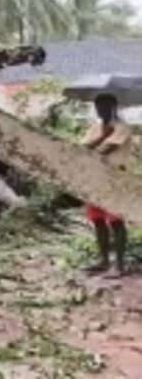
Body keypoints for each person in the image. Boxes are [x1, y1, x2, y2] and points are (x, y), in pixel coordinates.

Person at [81, 94, 133, 277]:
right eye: (98, 107)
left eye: (104, 107)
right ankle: (104, 260)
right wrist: (102, 135)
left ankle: (119, 264)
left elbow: (104, 150)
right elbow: (82, 148)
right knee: (97, 218)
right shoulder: (96, 128)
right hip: (96, 177)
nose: (101, 111)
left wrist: (100, 140)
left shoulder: (122, 127)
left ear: (114, 107)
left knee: (116, 220)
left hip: (115, 176)